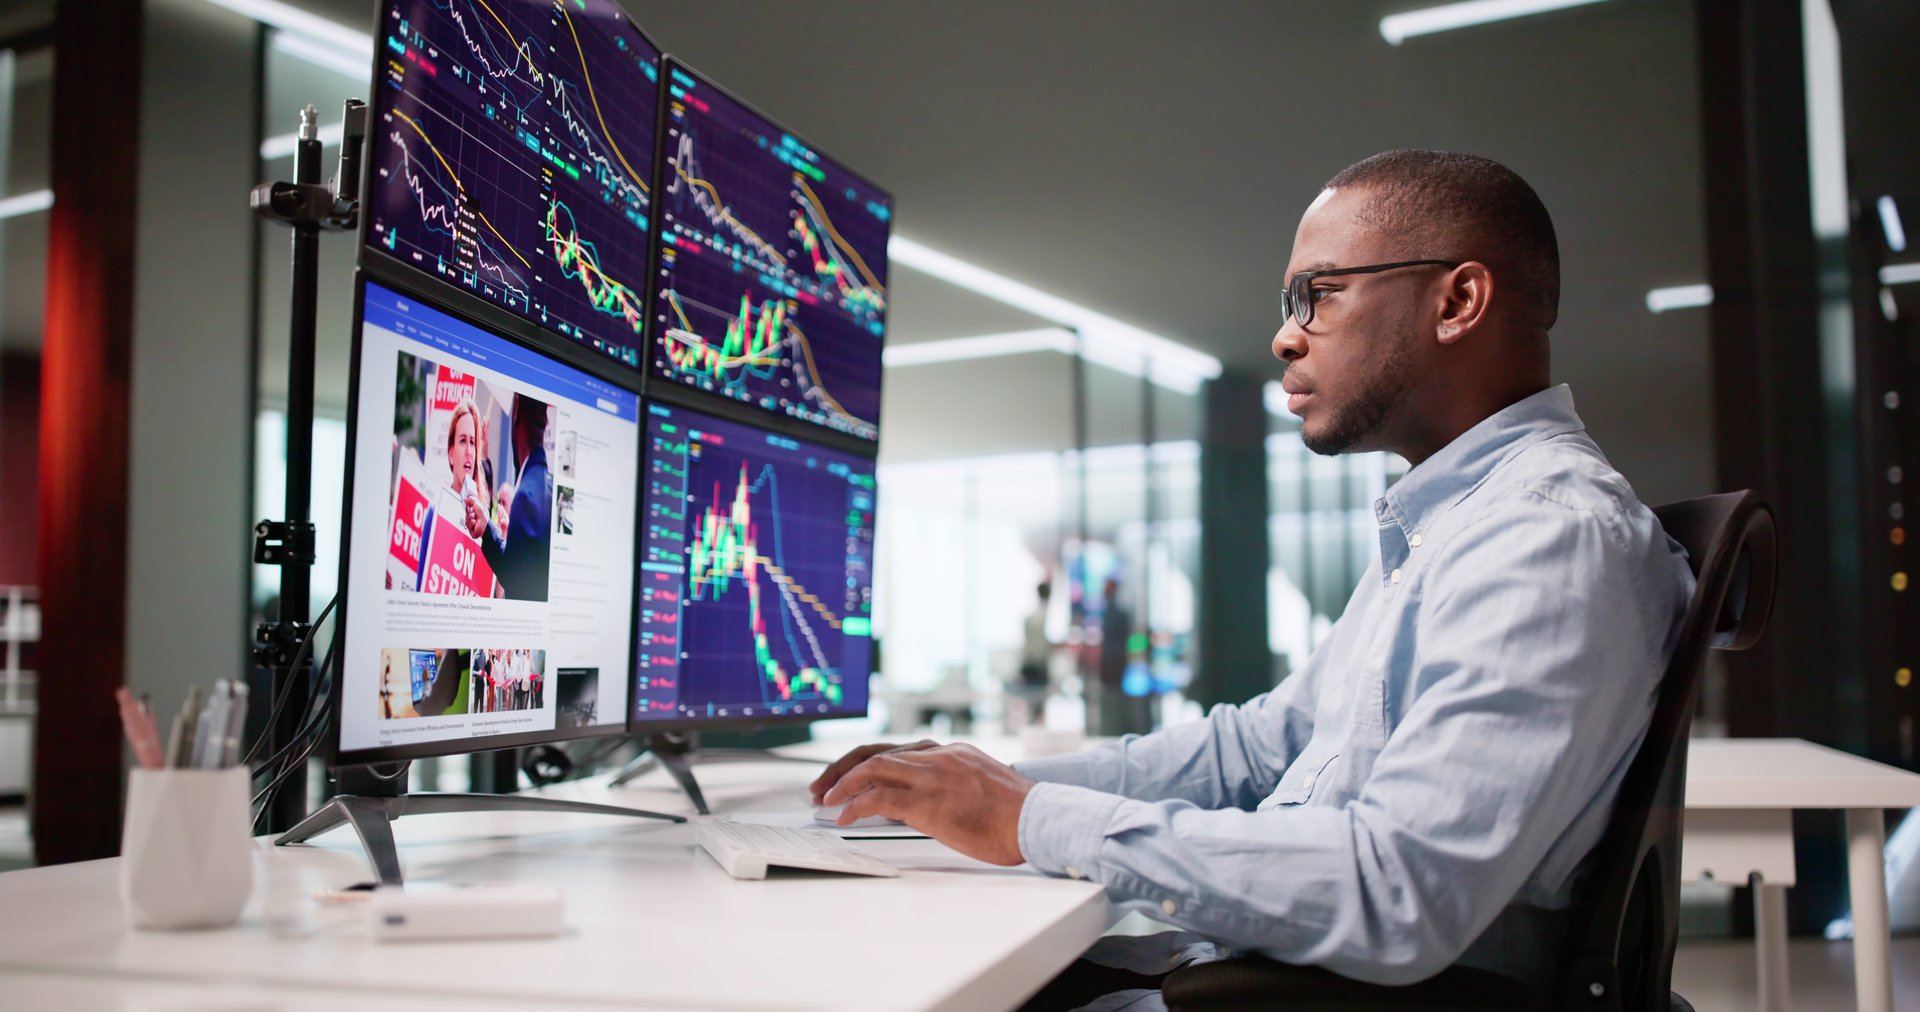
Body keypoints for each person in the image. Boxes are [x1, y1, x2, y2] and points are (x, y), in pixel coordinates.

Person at [809, 150, 1695, 1006]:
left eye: (1319, 293)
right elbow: (1259, 750)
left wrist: (1030, 816)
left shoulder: (1543, 538)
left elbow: (1399, 892)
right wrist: (983, 786)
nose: (1284, 335)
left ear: (1457, 301)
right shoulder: (1455, 526)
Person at [479, 393, 555, 601]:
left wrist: (487, 529)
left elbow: (517, 582)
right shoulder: (551, 489)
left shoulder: (526, 498)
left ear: (517, 412)